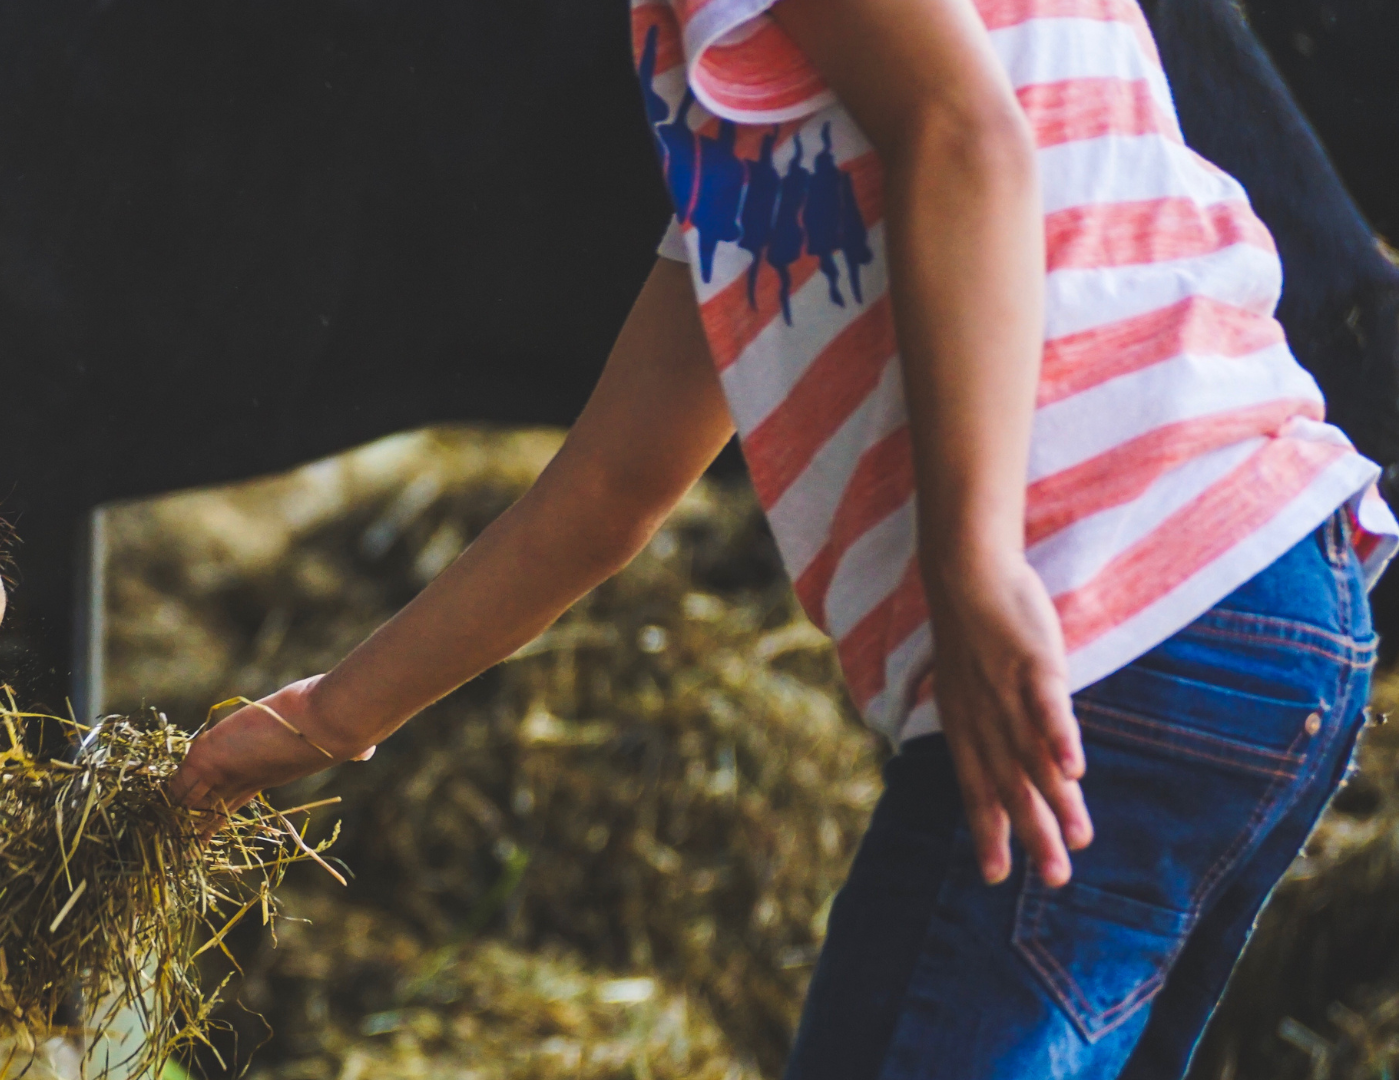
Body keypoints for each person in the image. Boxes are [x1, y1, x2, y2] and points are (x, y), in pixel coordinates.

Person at [168, 0, 1398, 1073]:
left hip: (1101, 618)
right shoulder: (775, 131)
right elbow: (611, 485)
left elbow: (966, 136)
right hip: (1265, 598)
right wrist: (326, 720)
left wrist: (976, 566)